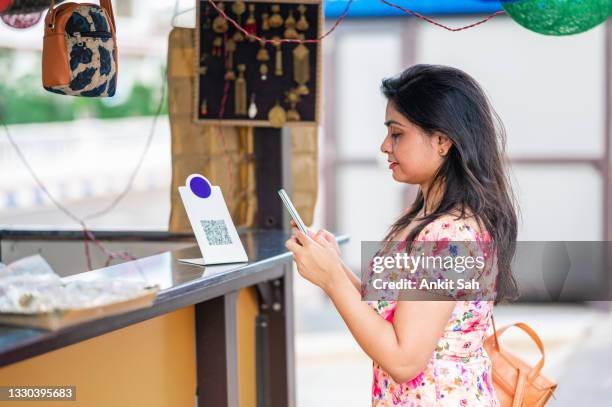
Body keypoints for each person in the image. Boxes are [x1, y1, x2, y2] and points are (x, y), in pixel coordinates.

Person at [285, 64, 518, 406]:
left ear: (442, 140)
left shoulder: (447, 235)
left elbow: (404, 359)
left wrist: (333, 280)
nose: (384, 146)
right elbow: (393, 314)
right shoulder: (431, 219)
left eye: (397, 134)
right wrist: (335, 269)